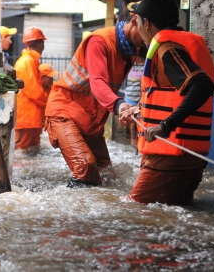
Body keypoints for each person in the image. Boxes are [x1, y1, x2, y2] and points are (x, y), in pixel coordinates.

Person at [119, 0, 214, 206]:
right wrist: (140, 110)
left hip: (170, 157)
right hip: (187, 156)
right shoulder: (176, 47)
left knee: (137, 210)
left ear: (148, 24)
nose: (138, 27)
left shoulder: (167, 49)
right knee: (170, 213)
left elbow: (202, 84)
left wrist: (165, 125)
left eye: (139, 21)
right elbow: (173, 94)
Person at [44, 13, 144, 188]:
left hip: (91, 119)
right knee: (85, 165)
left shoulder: (131, 51)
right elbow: (97, 83)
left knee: (106, 173)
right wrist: (120, 105)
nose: (148, 38)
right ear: (136, 21)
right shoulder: (100, 41)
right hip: (65, 112)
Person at [14, 27, 49, 152]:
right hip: (26, 118)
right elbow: (34, 91)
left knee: (29, 153)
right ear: (40, 44)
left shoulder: (31, 61)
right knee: (20, 153)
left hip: (31, 119)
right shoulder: (27, 62)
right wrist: (50, 103)